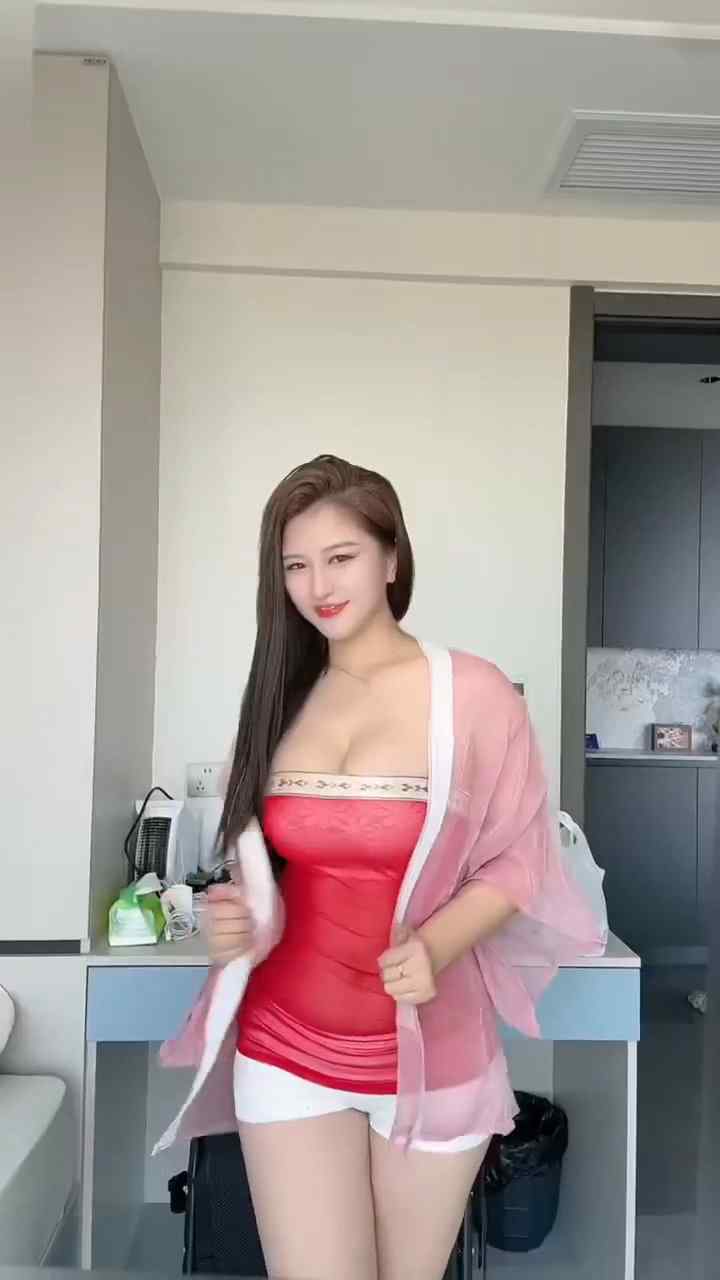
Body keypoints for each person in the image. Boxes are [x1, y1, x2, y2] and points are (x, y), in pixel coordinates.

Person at [158, 454, 605, 1280]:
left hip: (432, 1057)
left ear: (392, 559)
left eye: (341, 557)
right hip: (283, 1047)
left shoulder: (474, 695)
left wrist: (436, 944)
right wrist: (240, 920)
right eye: (295, 565)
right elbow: (273, 875)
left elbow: (520, 857)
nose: (317, 585)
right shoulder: (279, 699)